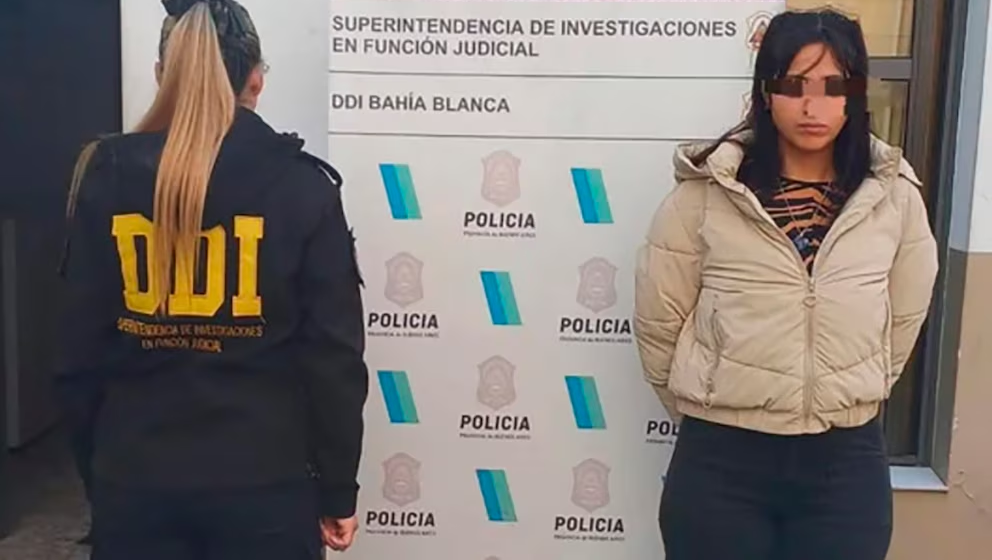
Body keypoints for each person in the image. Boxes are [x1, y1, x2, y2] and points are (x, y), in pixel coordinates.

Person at [54, 1, 369, 558]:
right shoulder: (303, 187)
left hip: (135, 484)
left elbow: (77, 356)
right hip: (266, 490)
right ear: (256, 80)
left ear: (162, 74)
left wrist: (99, 473)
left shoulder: (104, 177)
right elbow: (333, 359)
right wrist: (338, 489)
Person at [633, 9, 938, 560]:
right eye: (794, 85)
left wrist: (842, 387)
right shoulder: (703, 198)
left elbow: (903, 320)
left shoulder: (894, 200)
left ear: (855, 96)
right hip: (721, 464)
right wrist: (721, 402)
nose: (811, 106)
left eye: (832, 86)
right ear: (766, 93)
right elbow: (660, 325)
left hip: (844, 465)